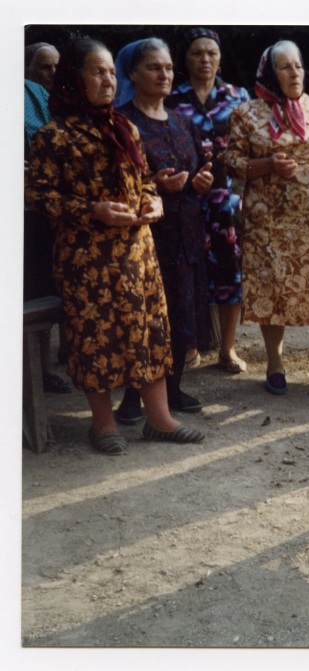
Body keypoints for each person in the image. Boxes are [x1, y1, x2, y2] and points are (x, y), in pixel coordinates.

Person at [26, 37, 204, 455]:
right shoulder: (55, 136)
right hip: (87, 258)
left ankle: (158, 419)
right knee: (96, 337)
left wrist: (152, 200)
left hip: (138, 252)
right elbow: (39, 195)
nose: (107, 80)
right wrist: (92, 210)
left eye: (110, 71)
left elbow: (142, 180)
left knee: (150, 331)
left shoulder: (125, 127)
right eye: (96, 71)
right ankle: (103, 425)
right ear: (75, 78)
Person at [222, 40, 309, 395]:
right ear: (270, 73)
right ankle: (276, 365)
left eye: (297, 65)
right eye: (284, 67)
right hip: (271, 223)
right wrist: (267, 165)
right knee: (273, 288)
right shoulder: (246, 114)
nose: (294, 72)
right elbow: (231, 160)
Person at [113, 38, 214, 423]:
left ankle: (172, 388)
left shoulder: (182, 120)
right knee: (142, 314)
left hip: (185, 231)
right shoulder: (122, 121)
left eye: (169, 67)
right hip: (144, 235)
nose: (164, 74)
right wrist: (153, 182)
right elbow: (116, 181)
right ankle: (131, 398)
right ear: (133, 74)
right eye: (155, 67)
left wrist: (199, 182)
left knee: (180, 309)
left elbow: (194, 173)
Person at [166, 28, 251, 374]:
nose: (205, 59)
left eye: (211, 53)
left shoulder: (237, 96)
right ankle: (188, 347)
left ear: (220, 59)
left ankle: (227, 349)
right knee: (187, 271)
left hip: (228, 198)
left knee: (230, 269)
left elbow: (250, 145)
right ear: (185, 59)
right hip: (186, 198)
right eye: (197, 53)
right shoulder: (172, 98)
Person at [24, 42, 71, 395]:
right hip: (24, 209)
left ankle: (44, 368)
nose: (52, 74)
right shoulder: (24, 94)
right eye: (44, 67)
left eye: (57, 67)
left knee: (46, 288)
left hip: (45, 208)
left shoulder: (49, 98)